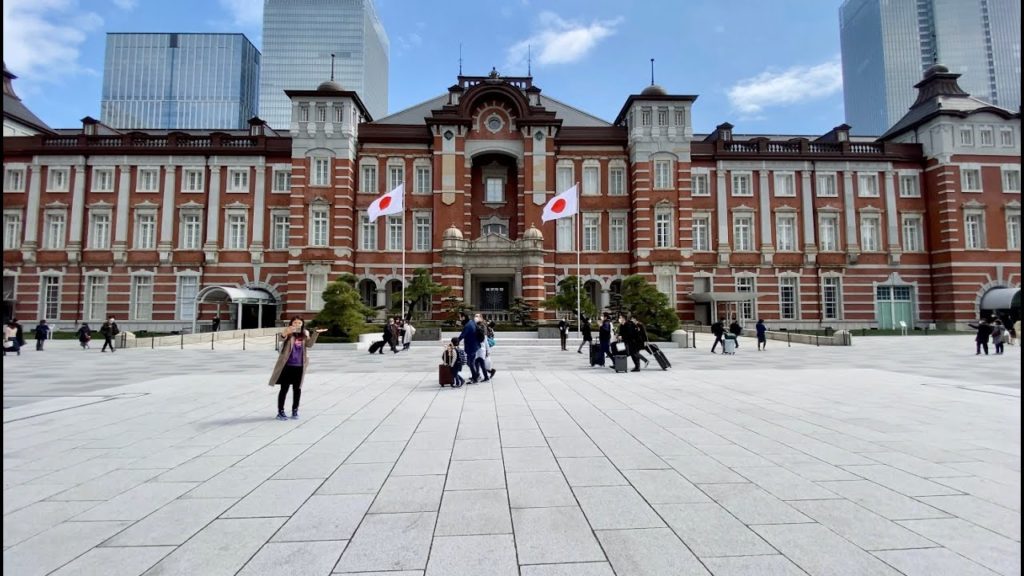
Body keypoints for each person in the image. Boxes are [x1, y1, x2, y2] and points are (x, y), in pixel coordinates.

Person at [268, 317, 327, 420]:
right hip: (287, 365)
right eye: (295, 322)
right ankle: (280, 411)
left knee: (297, 389)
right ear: (291, 323)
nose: (297, 324)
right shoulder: (288, 332)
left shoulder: (304, 334)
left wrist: (316, 333)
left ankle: (295, 410)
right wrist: (286, 332)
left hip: (299, 365)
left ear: (302, 324)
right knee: (284, 389)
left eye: (299, 323)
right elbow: (281, 338)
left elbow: (309, 345)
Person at [457, 312, 482, 382]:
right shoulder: (471, 322)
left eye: (460, 317)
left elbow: (462, 335)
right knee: (471, 362)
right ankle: (476, 375)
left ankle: (475, 377)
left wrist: (455, 342)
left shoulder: (467, 326)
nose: (459, 319)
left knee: (470, 362)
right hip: (475, 344)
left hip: (471, 346)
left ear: (463, 317)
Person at [473, 313, 491, 382]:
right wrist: (487, 351)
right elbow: (486, 342)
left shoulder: (478, 331)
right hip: (481, 350)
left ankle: (479, 376)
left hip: (478, 350)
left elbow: (485, 341)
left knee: (477, 363)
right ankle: (483, 376)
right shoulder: (483, 334)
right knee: (480, 364)